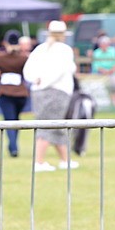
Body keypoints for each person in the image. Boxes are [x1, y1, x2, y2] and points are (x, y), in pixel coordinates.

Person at [23, 20, 78, 172]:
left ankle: (65, 160)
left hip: (39, 91)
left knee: (56, 125)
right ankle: (39, 162)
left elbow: (28, 70)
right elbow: (61, 71)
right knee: (47, 125)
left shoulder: (40, 49)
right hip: (57, 91)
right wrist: (45, 83)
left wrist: (36, 81)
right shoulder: (64, 50)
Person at [0, 31, 30, 157]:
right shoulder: (24, 58)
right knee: (16, 120)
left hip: (5, 93)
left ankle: (13, 148)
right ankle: (13, 145)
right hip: (21, 94)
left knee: (9, 120)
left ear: (5, 43)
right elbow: (29, 74)